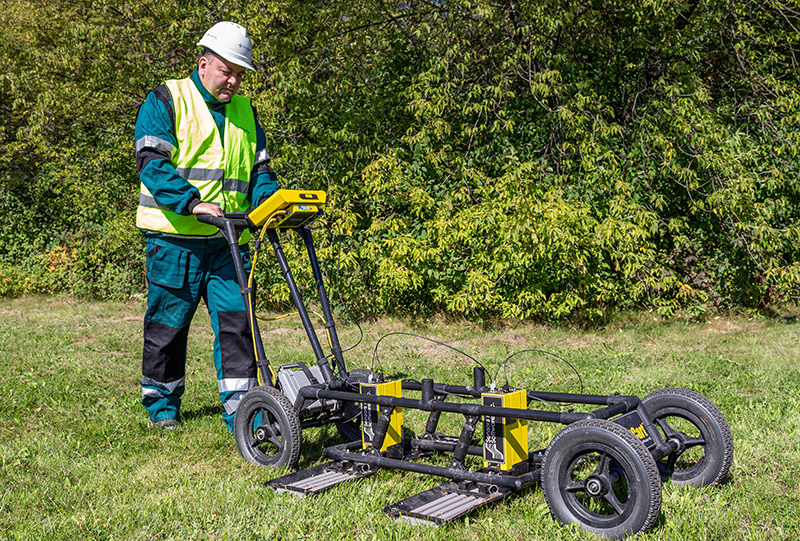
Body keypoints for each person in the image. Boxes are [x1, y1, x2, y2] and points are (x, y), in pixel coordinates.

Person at [134, 21, 278, 431]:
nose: (233, 80)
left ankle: (241, 407)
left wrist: (267, 204)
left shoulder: (246, 112)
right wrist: (192, 203)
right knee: (168, 325)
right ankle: (161, 405)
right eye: (227, 70)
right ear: (203, 63)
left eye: (240, 74)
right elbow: (153, 164)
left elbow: (259, 170)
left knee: (236, 324)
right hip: (175, 238)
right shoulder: (166, 100)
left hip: (228, 242)